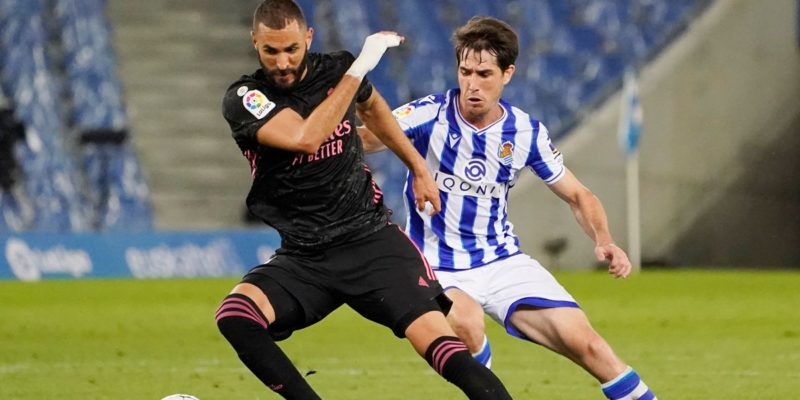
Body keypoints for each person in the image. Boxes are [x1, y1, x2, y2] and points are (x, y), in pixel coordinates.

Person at [215, 2, 512, 399]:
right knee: (235, 316)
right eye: (271, 51)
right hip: (306, 256)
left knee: (444, 348)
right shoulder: (246, 97)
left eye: (291, 49)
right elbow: (306, 138)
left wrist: (418, 167)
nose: (282, 62)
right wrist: (358, 70)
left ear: (308, 38)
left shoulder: (335, 69)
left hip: (372, 242)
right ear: (255, 42)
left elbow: (373, 109)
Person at [360, 16, 658, 400]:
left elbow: (579, 195)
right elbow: (369, 139)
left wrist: (604, 239)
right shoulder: (429, 113)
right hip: (435, 263)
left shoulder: (525, 132)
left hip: (502, 261)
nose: (472, 84)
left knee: (590, 346)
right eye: (465, 72)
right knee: (467, 324)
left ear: (507, 74)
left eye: (484, 74)